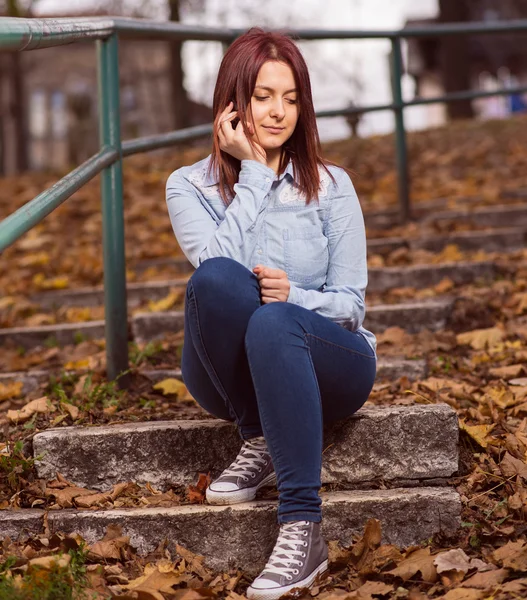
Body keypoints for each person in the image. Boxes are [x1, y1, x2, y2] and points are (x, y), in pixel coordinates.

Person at [165, 27, 377, 600]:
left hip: (332, 363)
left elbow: (351, 306)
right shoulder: (189, 187)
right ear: (233, 103)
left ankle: (303, 526)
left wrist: (294, 300)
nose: (279, 112)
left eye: (290, 97)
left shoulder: (332, 187)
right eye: (262, 96)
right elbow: (214, 276)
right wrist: (253, 174)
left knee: (275, 319)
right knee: (216, 280)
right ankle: (257, 433)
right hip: (230, 377)